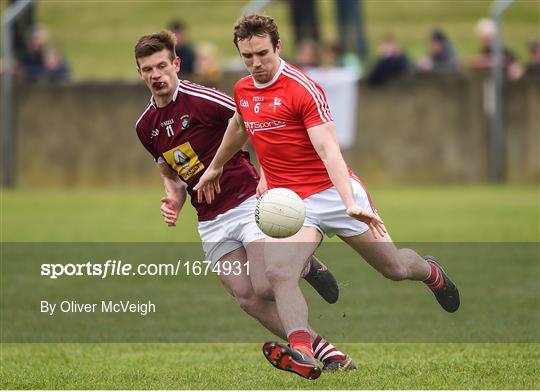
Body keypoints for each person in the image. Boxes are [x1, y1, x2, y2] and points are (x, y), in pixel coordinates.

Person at [194, 14, 460, 380]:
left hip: (334, 194)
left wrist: (350, 201)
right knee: (278, 271)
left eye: (261, 54)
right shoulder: (243, 90)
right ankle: (302, 350)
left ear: (278, 47)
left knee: (394, 268)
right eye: (247, 56)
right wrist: (216, 166)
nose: (255, 63)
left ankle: (431, 272)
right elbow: (239, 126)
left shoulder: (302, 89)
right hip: (291, 204)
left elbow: (328, 150)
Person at [133, 31, 355, 377]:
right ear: (140, 73)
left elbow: (255, 124)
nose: (156, 74)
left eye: (162, 65)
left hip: (246, 200)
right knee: (248, 298)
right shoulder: (146, 126)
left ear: (176, 65)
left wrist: (262, 171)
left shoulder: (205, 100)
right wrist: (174, 200)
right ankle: (328, 353)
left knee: (267, 284)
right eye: (148, 69)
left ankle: (304, 263)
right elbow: (170, 172)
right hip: (210, 220)